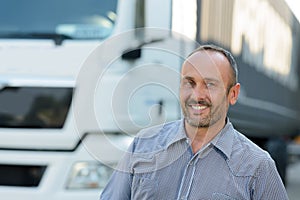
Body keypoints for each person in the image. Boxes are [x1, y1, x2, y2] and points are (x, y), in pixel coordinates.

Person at [100, 44, 289, 199]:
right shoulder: (143, 146)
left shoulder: (257, 166)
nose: (197, 95)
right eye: (189, 83)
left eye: (210, 84)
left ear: (233, 94)